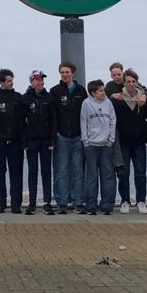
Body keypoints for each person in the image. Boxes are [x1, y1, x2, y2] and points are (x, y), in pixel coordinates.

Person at [105, 62, 147, 176]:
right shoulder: (110, 86)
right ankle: (119, 164)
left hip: (138, 126)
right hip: (121, 124)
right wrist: (112, 96)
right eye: (114, 75)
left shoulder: (132, 82)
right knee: (114, 134)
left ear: (122, 73)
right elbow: (104, 98)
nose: (117, 77)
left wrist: (144, 96)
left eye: (119, 74)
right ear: (111, 76)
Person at [51, 61, 88, 214]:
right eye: (62, 72)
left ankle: (78, 201)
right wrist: (55, 135)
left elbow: (86, 114)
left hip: (78, 136)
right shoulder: (55, 91)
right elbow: (52, 116)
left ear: (73, 73)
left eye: (67, 72)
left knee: (78, 170)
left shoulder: (81, 91)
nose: (64, 75)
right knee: (61, 170)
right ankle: (61, 202)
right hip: (62, 136)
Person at [112, 70, 147, 214]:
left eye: (133, 81)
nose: (131, 84)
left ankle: (141, 201)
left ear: (137, 83)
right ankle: (125, 200)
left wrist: (145, 99)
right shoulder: (118, 99)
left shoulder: (144, 100)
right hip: (123, 143)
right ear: (124, 83)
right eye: (128, 81)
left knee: (140, 173)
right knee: (124, 173)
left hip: (139, 142)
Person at [0, 68, 25, 214]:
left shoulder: (18, 97)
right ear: (1, 82)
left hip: (15, 142)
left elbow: (23, 121)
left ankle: (16, 204)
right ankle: (2, 202)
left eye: (12, 80)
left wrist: (23, 141)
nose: (12, 83)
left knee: (16, 173)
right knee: (0, 173)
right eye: (9, 81)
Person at [22, 70, 56, 215]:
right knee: (32, 171)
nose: (40, 82)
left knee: (47, 171)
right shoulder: (25, 98)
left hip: (46, 140)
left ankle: (47, 202)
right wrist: (23, 141)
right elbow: (21, 122)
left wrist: (53, 139)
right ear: (31, 81)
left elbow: (54, 120)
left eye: (42, 79)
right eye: (37, 80)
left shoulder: (49, 97)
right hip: (31, 140)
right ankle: (32, 203)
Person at [81, 80, 117, 215]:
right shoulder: (86, 103)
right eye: (100, 90)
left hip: (106, 145)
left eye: (103, 90)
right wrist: (85, 141)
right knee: (91, 175)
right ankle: (91, 204)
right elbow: (83, 121)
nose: (103, 93)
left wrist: (111, 139)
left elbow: (113, 120)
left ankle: (107, 204)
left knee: (108, 175)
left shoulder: (108, 103)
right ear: (93, 92)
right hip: (91, 145)